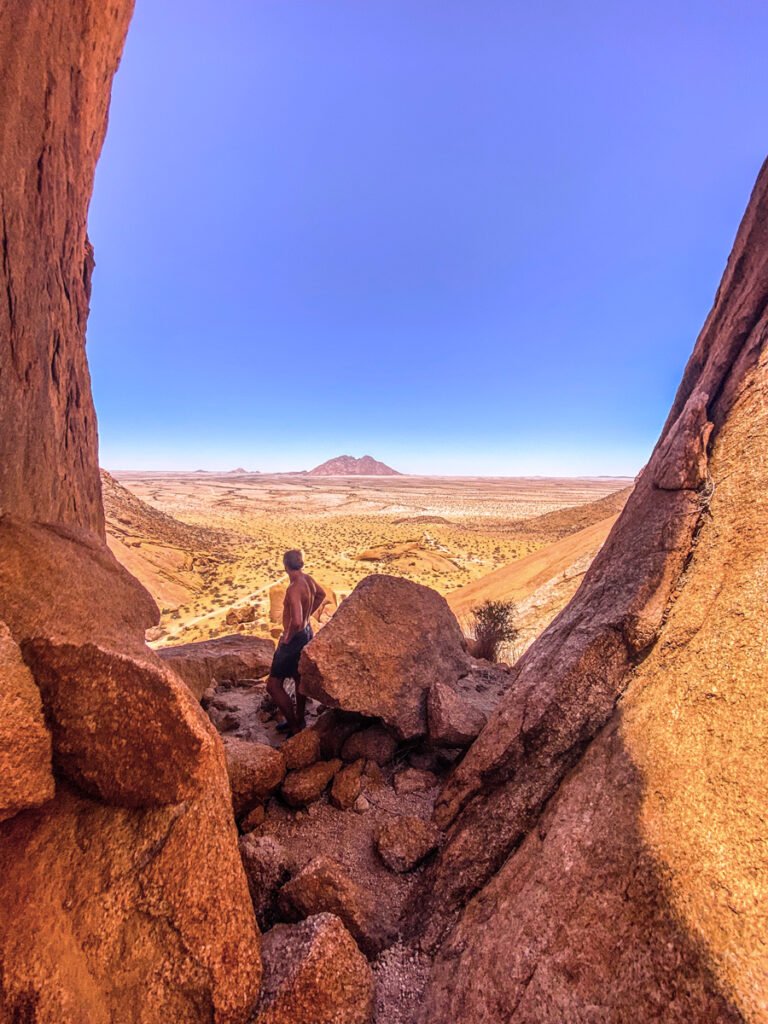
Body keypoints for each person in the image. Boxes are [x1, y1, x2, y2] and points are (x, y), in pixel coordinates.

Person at [266, 549, 325, 734]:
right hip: (308, 633)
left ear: (285, 566)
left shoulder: (293, 589)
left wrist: (287, 637)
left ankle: (293, 726)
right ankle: (300, 719)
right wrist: (310, 614)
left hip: (295, 639)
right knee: (298, 678)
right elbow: (321, 595)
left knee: (273, 685)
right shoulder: (308, 580)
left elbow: (297, 621)